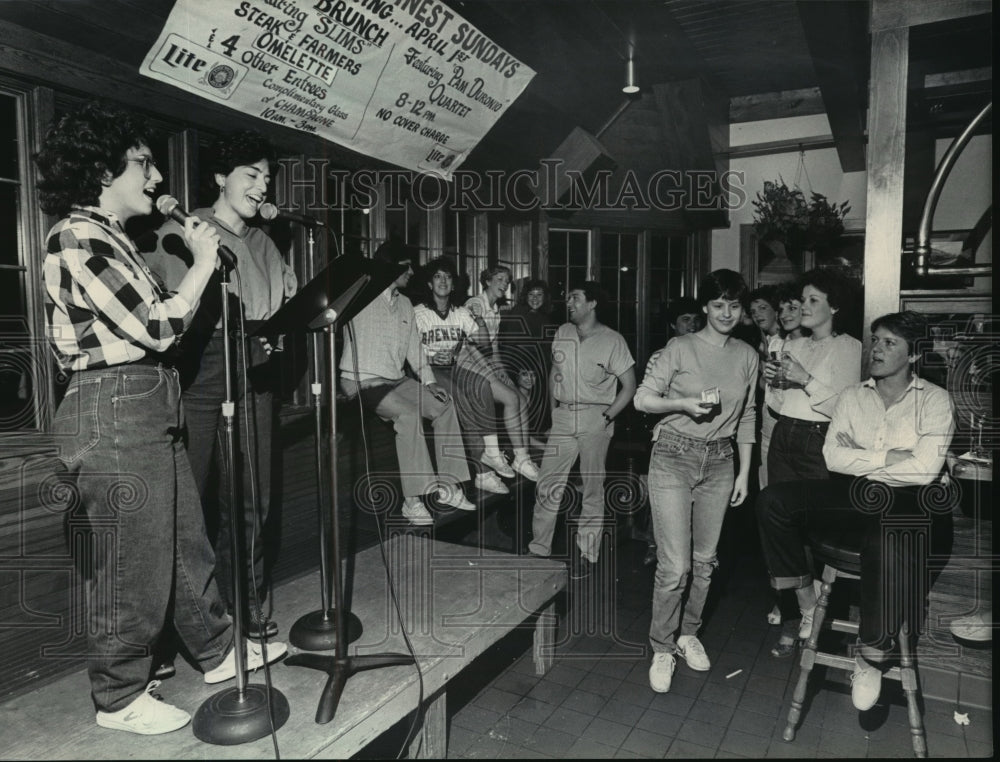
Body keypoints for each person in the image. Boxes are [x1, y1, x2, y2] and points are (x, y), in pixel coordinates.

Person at [35, 102, 285, 735]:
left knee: (182, 541)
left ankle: (216, 650)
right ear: (102, 169)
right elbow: (157, 327)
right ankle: (117, 697)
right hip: (113, 402)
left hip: (148, 398)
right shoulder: (76, 235)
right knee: (134, 560)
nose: (154, 176)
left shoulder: (113, 237)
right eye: (142, 163)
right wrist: (203, 264)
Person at [755, 311, 955, 710]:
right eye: (876, 340)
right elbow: (832, 457)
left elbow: (925, 471)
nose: (876, 350)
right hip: (856, 493)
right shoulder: (851, 396)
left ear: (913, 356)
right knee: (773, 501)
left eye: (889, 343)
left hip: (911, 502)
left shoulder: (934, 400)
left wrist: (864, 456)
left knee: (886, 534)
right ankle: (807, 600)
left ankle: (871, 657)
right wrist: (889, 456)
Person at [144, 130, 295, 639]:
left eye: (267, 179)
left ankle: (244, 604)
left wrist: (277, 336)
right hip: (200, 375)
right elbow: (158, 317)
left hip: (253, 375)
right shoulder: (181, 231)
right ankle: (175, 628)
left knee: (253, 501)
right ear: (219, 179)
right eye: (251, 175)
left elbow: (281, 310)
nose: (261, 187)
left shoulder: (266, 244)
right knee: (188, 506)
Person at [634, 269, 758, 693]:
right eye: (718, 304)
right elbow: (642, 398)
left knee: (705, 562)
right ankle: (662, 647)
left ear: (742, 311)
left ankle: (688, 634)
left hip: (721, 462)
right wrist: (683, 403)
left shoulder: (747, 355)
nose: (726, 313)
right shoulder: (680, 347)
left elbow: (748, 416)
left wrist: (744, 471)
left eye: (734, 305)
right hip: (672, 454)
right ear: (705, 306)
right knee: (675, 566)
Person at [762, 270, 861, 656]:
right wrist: (774, 382)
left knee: (815, 531)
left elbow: (844, 407)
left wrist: (804, 380)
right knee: (781, 527)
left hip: (820, 442)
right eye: (801, 300)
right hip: (785, 436)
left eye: (813, 300)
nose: (803, 306)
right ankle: (802, 608)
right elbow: (778, 404)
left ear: (834, 306)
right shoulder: (794, 343)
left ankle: (819, 618)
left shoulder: (850, 348)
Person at [340, 241, 475, 525]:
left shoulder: (403, 303)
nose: (412, 272)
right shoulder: (360, 294)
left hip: (395, 379)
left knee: (444, 405)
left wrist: (428, 382)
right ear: (391, 267)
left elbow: (415, 350)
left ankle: (449, 487)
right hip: (360, 381)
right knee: (409, 415)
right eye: (407, 266)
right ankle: (412, 501)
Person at [528, 282, 636, 577]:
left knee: (591, 489)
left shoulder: (613, 340)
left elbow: (629, 387)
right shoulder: (562, 332)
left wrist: (606, 417)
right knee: (547, 484)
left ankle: (587, 555)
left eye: (575, 298)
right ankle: (539, 550)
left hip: (595, 418)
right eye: (568, 298)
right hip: (563, 416)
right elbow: (554, 372)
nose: (569, 303)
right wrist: (553, 413)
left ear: (592, 304)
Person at [413, 256, 517, 495]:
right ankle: (483, 471)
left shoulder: (459, 312)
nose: (443, 281)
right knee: (462, 401)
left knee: (482, 385)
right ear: (429, 284)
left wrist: (478, 317)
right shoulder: (418, 313)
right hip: (428, 371)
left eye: (448, 277)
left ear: (453, 284)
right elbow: (408, 351)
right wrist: (428, 359)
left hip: (455, 367)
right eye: (438, 276)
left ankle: (491, 453)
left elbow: (483, 341)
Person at [640, 297, 704, 566]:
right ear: (672, 325)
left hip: (702, 437)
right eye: (684, 319)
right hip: (670, 437)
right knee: (666, 503)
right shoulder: (661, 356)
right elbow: (647, 401)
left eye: (694, 318)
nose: (692, 324)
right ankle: (654, 545)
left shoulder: (706, 353)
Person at [464, 265, 539, 480]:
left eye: (507, 281)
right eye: (499, 279)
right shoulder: (475, 304)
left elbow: (493, 347)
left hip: (487, 366)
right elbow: (469, 345)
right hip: (470, 368)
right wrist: (491, 372)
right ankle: (519, 457)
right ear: (487, 281)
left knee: (522, 399)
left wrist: (502, 372)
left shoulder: (495, 309)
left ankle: (523, 458)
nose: (504, 284)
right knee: (510, 398)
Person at [500, 279, 559, 437]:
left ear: (545, 297)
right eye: (531, 294)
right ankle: (523, 445)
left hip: (537, 367)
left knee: (531, 407)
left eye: (539, 295)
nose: (535, 298)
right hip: (523, 367)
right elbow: (511, 345)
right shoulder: (520, 313)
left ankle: (530, 442)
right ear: (525, 297)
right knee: (522, 406)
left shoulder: (542, 316)